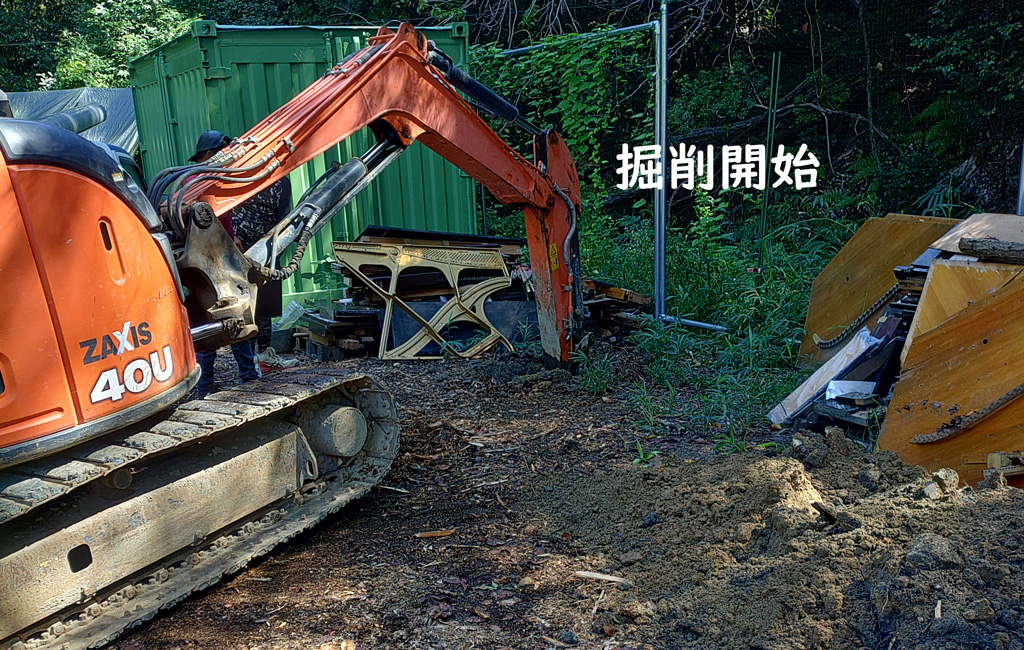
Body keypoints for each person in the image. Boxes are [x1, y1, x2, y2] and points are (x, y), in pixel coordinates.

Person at [189, 130, 297, 398]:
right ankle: (248, 376)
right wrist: (233, 241)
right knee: (237, 316)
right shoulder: (214, 182)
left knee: (209, 316)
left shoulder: (191, 182)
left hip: (202, 264)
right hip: (222, 258)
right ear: (211, 154)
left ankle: (206, 385)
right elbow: (222, 219)